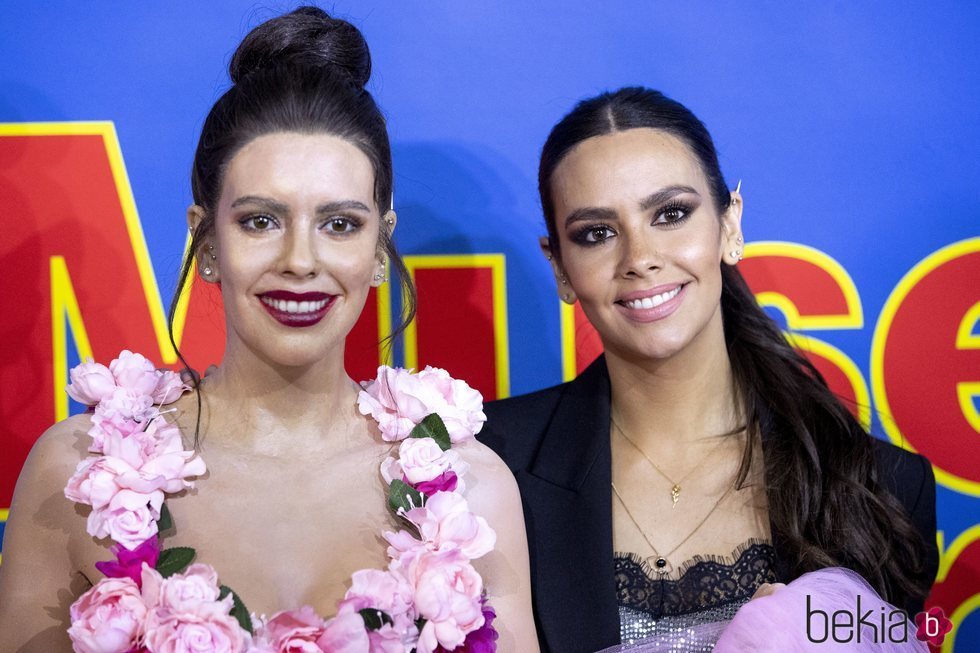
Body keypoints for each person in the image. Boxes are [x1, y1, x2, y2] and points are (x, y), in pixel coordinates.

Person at [0, 8, 537, 652]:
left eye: (339, 224)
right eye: (260, 221)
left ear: (378, 251)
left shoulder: (471, 490)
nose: (300, 261)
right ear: (205, 243)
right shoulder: (76, 473)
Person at [480, 87, 938, 653]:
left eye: (671, 215)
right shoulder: (486, 465)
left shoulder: (877, 487)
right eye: (597, 233)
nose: (639, 258)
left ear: (729, 224)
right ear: (561, 267)